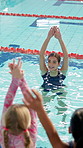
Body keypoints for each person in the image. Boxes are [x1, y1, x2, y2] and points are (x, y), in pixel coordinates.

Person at [0, 59, 37, 148]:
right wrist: (20, 78)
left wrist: (15, 79)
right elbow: (31, 104)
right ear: (29, 121)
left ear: (5, 120)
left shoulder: (3, 137)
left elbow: (7, 103)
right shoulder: (31, 137)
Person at [40, 26, 68, 92]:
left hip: (59, 90)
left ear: (59, 64)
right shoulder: (45, 73)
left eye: (54, 62)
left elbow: (66, 57)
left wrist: (60, 39)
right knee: (43, 101)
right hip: (46, 89)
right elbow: (41, 55)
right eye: (49, 61)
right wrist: (48, 37)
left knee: (61, 100)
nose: (50, 64)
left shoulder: (62, 73)